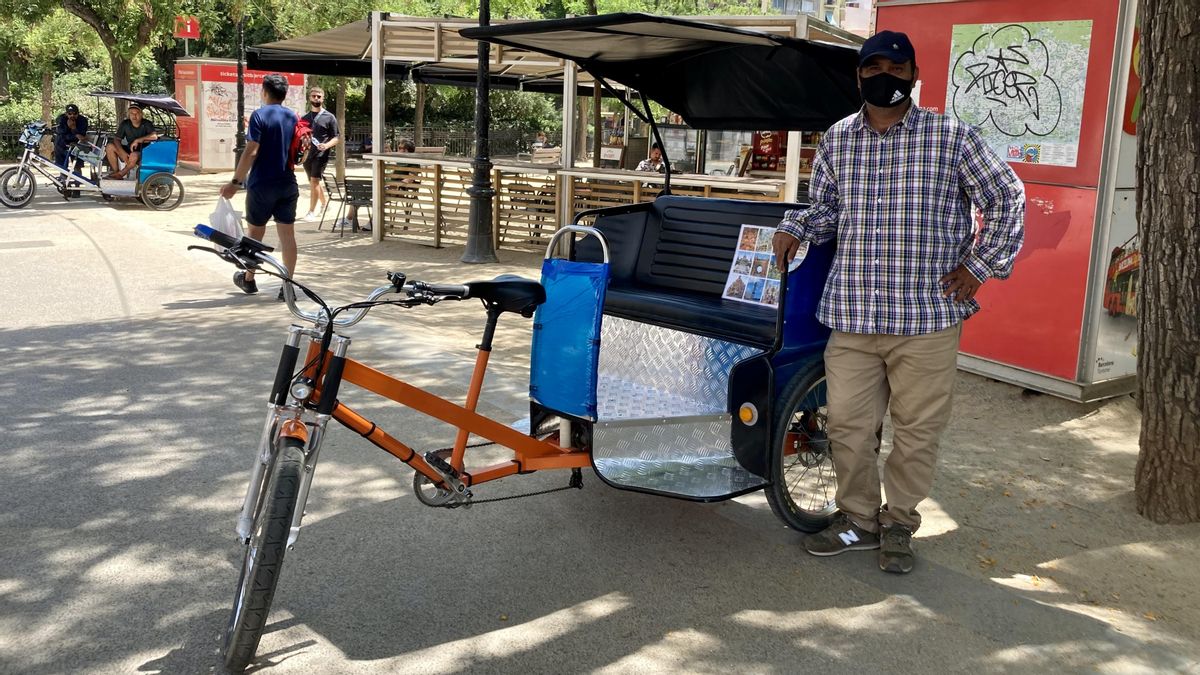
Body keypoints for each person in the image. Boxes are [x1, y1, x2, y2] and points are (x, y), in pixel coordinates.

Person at [771, 30, 1025, 574]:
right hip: (855, 315)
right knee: (845, 426)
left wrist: (980, 266)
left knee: (916, 430)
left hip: (926, 317)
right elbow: (827, 210)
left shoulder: (951, 137)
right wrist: (796, 225)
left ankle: (900, 523)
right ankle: (859, 519)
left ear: (913, 73)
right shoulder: (838, 139)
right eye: (872, 67)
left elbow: (1007, 197)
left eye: (895, 66)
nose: (883, 75)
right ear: (858, 76)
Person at [221, 74, 300, 302]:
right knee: (288, 236)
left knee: (255, 234)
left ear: (265, 92)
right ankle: (288, 286)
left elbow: (251, 150)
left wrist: (235, 183)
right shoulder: (293, 116)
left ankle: (248, 278)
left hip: (262, 184)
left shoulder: (259, 115)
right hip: (288, 182)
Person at [338, 139, 415, 233]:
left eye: (400, 148)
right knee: (359, 193)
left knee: (374, 195)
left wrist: (395, 185)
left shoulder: (413, 162)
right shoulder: (400, 161)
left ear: (406, 150)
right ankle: (350, 219)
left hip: (396, 190)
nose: (398, 149)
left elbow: (410, 178)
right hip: (386, 187)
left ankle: (373, 222)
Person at [298, 87, 340, 222]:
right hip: (307, 155)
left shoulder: (329, 117)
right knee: (313, 181)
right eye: (314, 96)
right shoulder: (304, 118)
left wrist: (326, 145)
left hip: (321, 154)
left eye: (319, 96)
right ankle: (324, 203)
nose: (316, 98)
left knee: (314, 180)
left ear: (323, 99)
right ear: (309, 98)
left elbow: (337, 137)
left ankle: (311, 211)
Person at [105, 103, 158, 180]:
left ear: (141, 114)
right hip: (129, 150)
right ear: (129, 115)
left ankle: (121, 174)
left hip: (143, 152)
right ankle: (115, 171)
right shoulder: (125, 124)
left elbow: (154, 136)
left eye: (137, 113)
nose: (134, 115)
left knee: (134, 155)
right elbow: (117, 139)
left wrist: (138, 140)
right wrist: (122, 152)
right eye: (131, 113)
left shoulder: (146, 123)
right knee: (110, 146)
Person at [53, 104, 89, 171]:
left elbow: (82, 135)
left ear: (78, 113)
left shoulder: (82, 120)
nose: (72, 116)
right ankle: (63, 175)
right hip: (62, 144)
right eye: (70, 113)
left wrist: (73, 128)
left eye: (74, 113)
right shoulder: (61, 119)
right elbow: (61, 133)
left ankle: (78, 176)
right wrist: (74, 134)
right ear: (66, 114)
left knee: (77, 159)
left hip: (76, 145)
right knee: (59, 148)